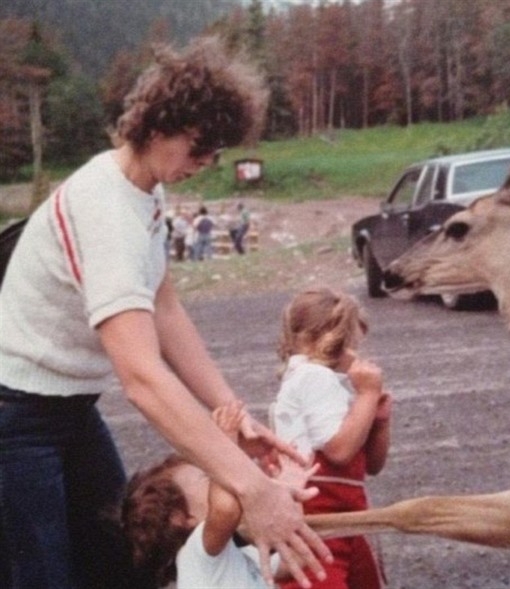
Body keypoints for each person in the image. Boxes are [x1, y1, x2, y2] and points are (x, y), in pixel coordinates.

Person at [0, 36, 330, 589]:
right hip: (15, 416)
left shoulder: (142, 192)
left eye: (216, 152)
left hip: (71, 408)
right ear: (157, 126)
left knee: (120, 557)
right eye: (199, 147)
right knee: (43, 574)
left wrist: (231, 411)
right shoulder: (106, 209)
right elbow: (144, 379)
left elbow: (166, 308)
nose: (206, 163)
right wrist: (251, 487)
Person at [122, 401, 319, 588]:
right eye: (210, 476)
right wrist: (224, 447)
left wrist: (290, 491)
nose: (224, 477)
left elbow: (296, 557)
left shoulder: (236, 553)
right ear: (181, 518)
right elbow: (225, 509)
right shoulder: (196, 554)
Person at [272, 287, 392, 589]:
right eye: (353, 344)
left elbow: (372, 466)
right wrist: (366, 394)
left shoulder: (328, 383)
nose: (357, 356)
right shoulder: (314, 377)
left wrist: (379, 421)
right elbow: (339, 451)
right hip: (320, 518)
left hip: (347, 517)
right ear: (327, 339)